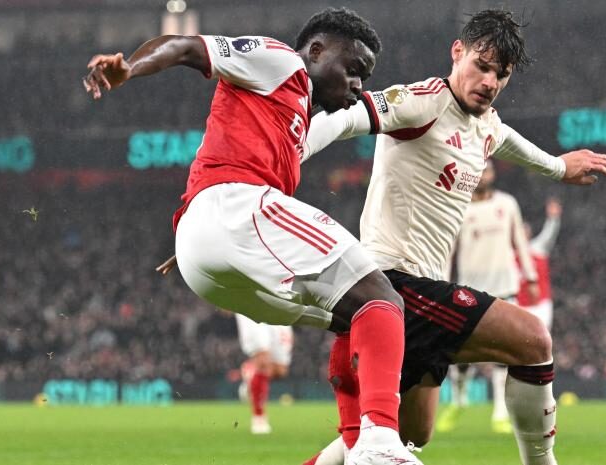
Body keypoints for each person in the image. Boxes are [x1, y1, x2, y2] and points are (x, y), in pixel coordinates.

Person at [85, 8, 424, 465]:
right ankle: (381, 442)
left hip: (208, 250)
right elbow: (186, 47)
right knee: (382, 298)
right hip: (231, 212)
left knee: (355, 318)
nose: (357, 85)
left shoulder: (295, 118)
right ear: (317, 50)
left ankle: (353, 445)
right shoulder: (280, 61)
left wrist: (194, 238)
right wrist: (130, 67)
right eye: (353, 69)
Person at [300, 8, 606, 465]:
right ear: (457, 52)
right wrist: (287, 152)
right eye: (481, 66)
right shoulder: (423, 102)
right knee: (533, 340)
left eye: (500, 74)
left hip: (423, 290)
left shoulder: (486, 124)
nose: (489, 82)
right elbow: (345, 118)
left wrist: (558, 167)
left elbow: (510, 142)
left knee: (410, 433)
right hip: (391, 282)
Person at [436, 159, 540, 435]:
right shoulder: (458, 207)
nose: (483, 175)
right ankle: (459, 402)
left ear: (494, 174)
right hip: (469, 290)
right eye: (479, 171)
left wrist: (530, 276)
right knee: (460, 350)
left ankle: (500, 412)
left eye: (488, 170)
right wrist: (441, 284)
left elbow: (520, 242)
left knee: (504, 350)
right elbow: (448, 250)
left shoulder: (507, 204)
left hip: (505, 287)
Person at [235, 313, 294, 434]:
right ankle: (259, 417)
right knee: (263, 362)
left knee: (280, 370)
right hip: (251, 307)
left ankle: (251, 373)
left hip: (279, 308)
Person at [517, 198, 563, 330]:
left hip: (541, 303)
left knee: (541, 336)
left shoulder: (538, 248)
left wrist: (553, 218)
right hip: (519, 305)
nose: (523, 234)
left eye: (526, 230)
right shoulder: (509, 253)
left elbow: (549, 234)